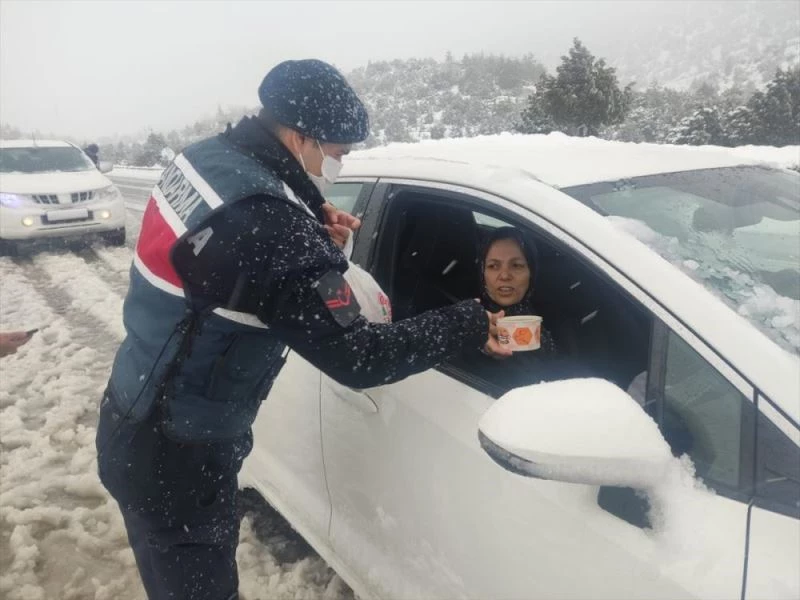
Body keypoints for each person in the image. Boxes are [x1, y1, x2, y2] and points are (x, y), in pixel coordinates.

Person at [96, 59, 509, 600]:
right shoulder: (269, 225)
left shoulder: (205, 159)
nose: (340, 164)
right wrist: (469, 321)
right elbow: (360, 357)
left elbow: (238, 245)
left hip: (135, 409)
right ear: (300, 138)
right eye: (339, 153)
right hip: (179, 454)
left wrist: (310, 215)